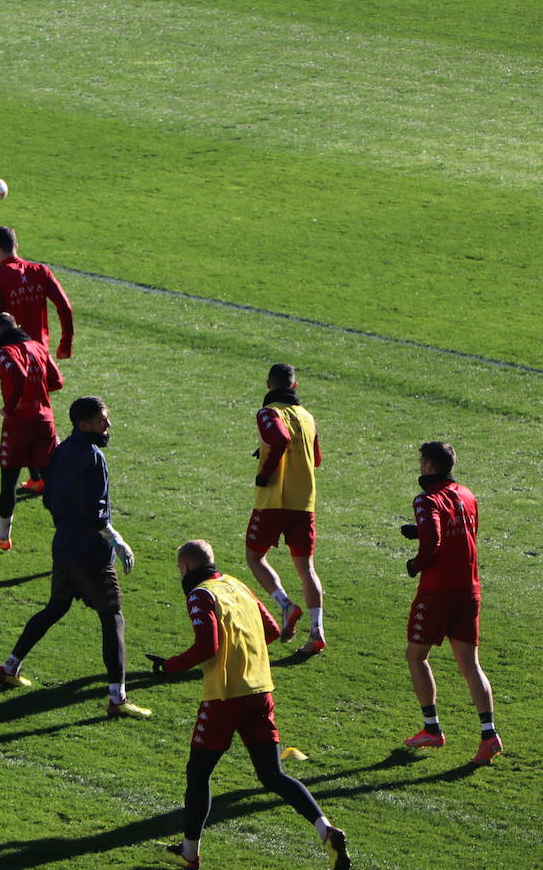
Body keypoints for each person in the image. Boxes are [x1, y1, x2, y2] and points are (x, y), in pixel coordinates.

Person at [150, 540, 350, 870]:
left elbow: (206, 645)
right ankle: (326, 831)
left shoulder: (201, 594)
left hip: (224, 697)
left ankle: (188, 853)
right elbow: (271, 629)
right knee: (272, 774)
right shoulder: (237, 584)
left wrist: (169, 666)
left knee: (198, 774)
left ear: (185, 568)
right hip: (261, 692)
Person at [0, 396, 150, 719]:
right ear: (85, 423)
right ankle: (117, 697)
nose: (108, 425)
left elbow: (49, 499)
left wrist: (68, 527)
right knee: (113, 616)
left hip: (63, 547)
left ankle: (9, 667)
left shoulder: (60, 451)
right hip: (90, 554)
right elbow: (96, 514)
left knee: (56, 607)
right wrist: (117, 541)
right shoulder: (94, 458)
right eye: (102, 419)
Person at [399, 441, 501, 766]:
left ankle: (431, 728)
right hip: (469, 588)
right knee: (470, 664)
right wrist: (420, 531)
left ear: (429, 467)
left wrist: (417, 562)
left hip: (437, 590)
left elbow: (435, 541)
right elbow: (462, 532)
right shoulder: (467, 494)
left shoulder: (426, 499)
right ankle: (489, 735)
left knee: (416, 656)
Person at [0, 226, 73, 493]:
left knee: (22, 414)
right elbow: (65, 306)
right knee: (39, 410)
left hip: (14, 354)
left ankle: (46, 476)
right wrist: (65, 343)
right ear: (16, 245)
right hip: (41, 354)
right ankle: (39, 477)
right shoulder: (40, 271)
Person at [245, 362, 328, 654]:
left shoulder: (268, 412)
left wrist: (266, 470)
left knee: (254, 557)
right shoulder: (308, 417)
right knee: (307, 569)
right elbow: (314, 458)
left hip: (273, 501)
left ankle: (285, 605)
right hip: (304, 502)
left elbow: (280, 439)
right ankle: (317, 632)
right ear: (295, 386)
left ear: (269, 385)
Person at [0, 313, 62, 551]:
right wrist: (38, 394)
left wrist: (10, 407)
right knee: (53, 484)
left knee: (9, 482)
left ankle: (4, 536)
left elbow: (17, 375)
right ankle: (70, 534)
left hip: (19, 424)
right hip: (46, 421)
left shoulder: (4, 351)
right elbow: (56, 381)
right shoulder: (37, 346)